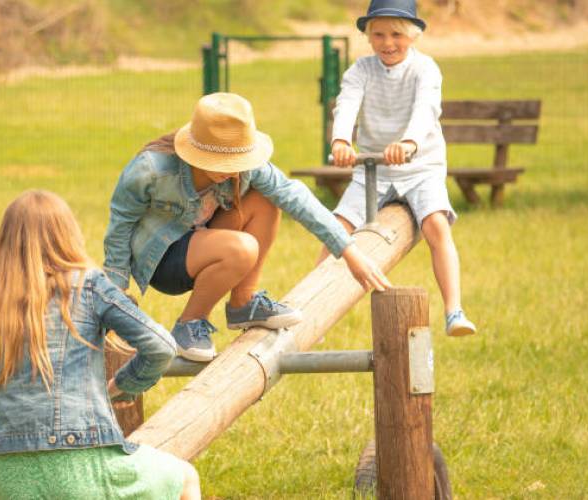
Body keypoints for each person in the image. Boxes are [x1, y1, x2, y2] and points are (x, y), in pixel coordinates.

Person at [0, 190, 200, 500]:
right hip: (79, 466)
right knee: (184, 477)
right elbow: (161, 346)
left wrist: (11, 392)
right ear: (68, 234)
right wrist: (123, 385)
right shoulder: (89, 284)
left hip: (5, 476)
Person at [104, 92, 389, 362]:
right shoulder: (152, 169)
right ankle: (189, 324)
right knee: (242, 249)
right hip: (163, 259)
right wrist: (116, 300)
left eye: (234, 160)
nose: (229, 169)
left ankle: (243, 302)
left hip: (207, 242)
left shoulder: (246, 168)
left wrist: (350, 252)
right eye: (218, 160)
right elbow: (120, 227)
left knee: (266, 199)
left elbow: (296, 197)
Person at [325, 0, 477, 336]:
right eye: (378, 35)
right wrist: (340, 141)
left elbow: (426, 111)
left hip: (420, 166)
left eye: (396, 34)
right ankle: (315, 312)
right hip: (373, 169)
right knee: (333, 229)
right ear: (368, 36)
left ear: (412, 35)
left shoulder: (425, 69)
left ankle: (454, 310)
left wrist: (408, 143)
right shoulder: (361, 70)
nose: (387, 43)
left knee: (437, 226)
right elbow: (347, 105)